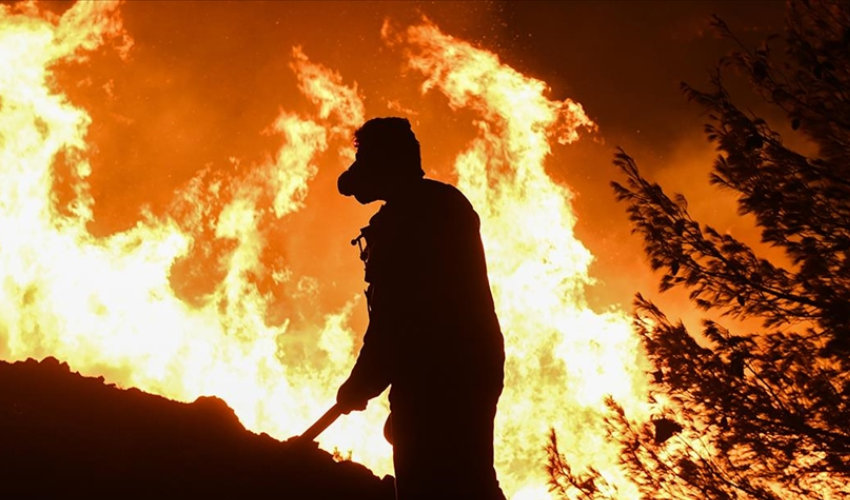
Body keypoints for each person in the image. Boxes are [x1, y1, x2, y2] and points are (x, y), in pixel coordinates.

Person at [335, 117, 507, 500]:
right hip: (475, 366)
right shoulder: (447, 204)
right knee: (473, 480)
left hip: (434, 377)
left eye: (365, 159)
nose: (358, 171)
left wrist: (359, 385)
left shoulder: (404, 222)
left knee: (427, 486)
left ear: (386, 164)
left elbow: (395, 322)